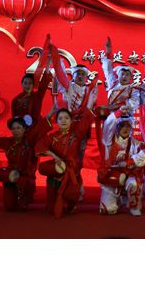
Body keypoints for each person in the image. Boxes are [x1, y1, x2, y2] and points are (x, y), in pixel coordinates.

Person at [0, 109, 54, 211]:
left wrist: (51, 113)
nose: (16, 131)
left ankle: (23, 196)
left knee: (22, 202)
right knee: (8, 204)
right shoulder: (8, 142)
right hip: (11, 175)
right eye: (13, 129)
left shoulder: (29, 140)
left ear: (24, 129)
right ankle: (13, 182)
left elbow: (39, 128)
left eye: (18, 128)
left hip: (25, 177)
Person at [35, 106, 94, 218]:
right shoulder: (53, 137)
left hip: (71, 172)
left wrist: (90, 103)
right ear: (57, 121)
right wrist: (53, 155)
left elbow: (86, 119)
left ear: (71, 121)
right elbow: (40, 144)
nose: (63, 121)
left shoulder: (76, 134)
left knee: (71, 200)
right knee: (52, 209)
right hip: (57, 171)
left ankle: (71, 203)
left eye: (67, 118)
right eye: (60, 118)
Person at [98, 108, 145, 216]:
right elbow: (107, 125)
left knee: (134, 184)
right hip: (111, 177)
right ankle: (117, 199)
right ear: (116, 127)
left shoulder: (136, 143)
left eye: (127, 126)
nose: (125, 129)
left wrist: (129, 162)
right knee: (108, 210)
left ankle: (133, 206)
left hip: (128, 174)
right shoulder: (109, 141)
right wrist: (119, 112)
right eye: (122, 126)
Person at [59, 64, 98, 202]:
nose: (80, 76)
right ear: (73, 75)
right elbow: (59, 74)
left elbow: (91, 109)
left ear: (86, 76)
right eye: (78, 74)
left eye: (83, 74)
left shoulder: (90, 90)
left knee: (78, 160)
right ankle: (66, 187)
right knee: (66, 158)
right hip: (68, 128)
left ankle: (77, 188)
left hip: (82, 129)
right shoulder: (68, 87)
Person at [98, 37, 140, 118]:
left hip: (126, 117)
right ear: (118, 75)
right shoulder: (113, 83)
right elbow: (108, 69)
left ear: (131, 77)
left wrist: (114, 107)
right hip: (111, 116)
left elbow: (133, 103)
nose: (124, 76)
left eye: (127, 75)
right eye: (122, 74)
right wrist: (108, 51)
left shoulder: (133, 90)